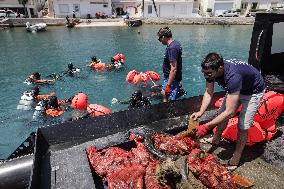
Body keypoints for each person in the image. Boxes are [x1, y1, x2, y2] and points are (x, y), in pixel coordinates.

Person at [190, 53, 265, 170]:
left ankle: (237, 155)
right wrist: (200, 112)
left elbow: (230, 112)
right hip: (236, 88)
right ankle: (216, 139)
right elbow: (209, 92)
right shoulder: (210, 71)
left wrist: (206, 126)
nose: (206, 76)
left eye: (209, 73)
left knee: (243, 125)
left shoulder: (233, 76)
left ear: (220, 68)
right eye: (204, 73)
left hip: (253, 91)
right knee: (221, 114)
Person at [157, 27, 183, 102]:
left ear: (164, 37)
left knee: (168, 98)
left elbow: (174, 68)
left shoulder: (172, 48)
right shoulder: (176, 43)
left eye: (159, 39)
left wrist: (168, 85)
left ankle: (169, 112)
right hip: (172, 79)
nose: (160, 41)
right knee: (165, 95)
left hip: (171, 80)